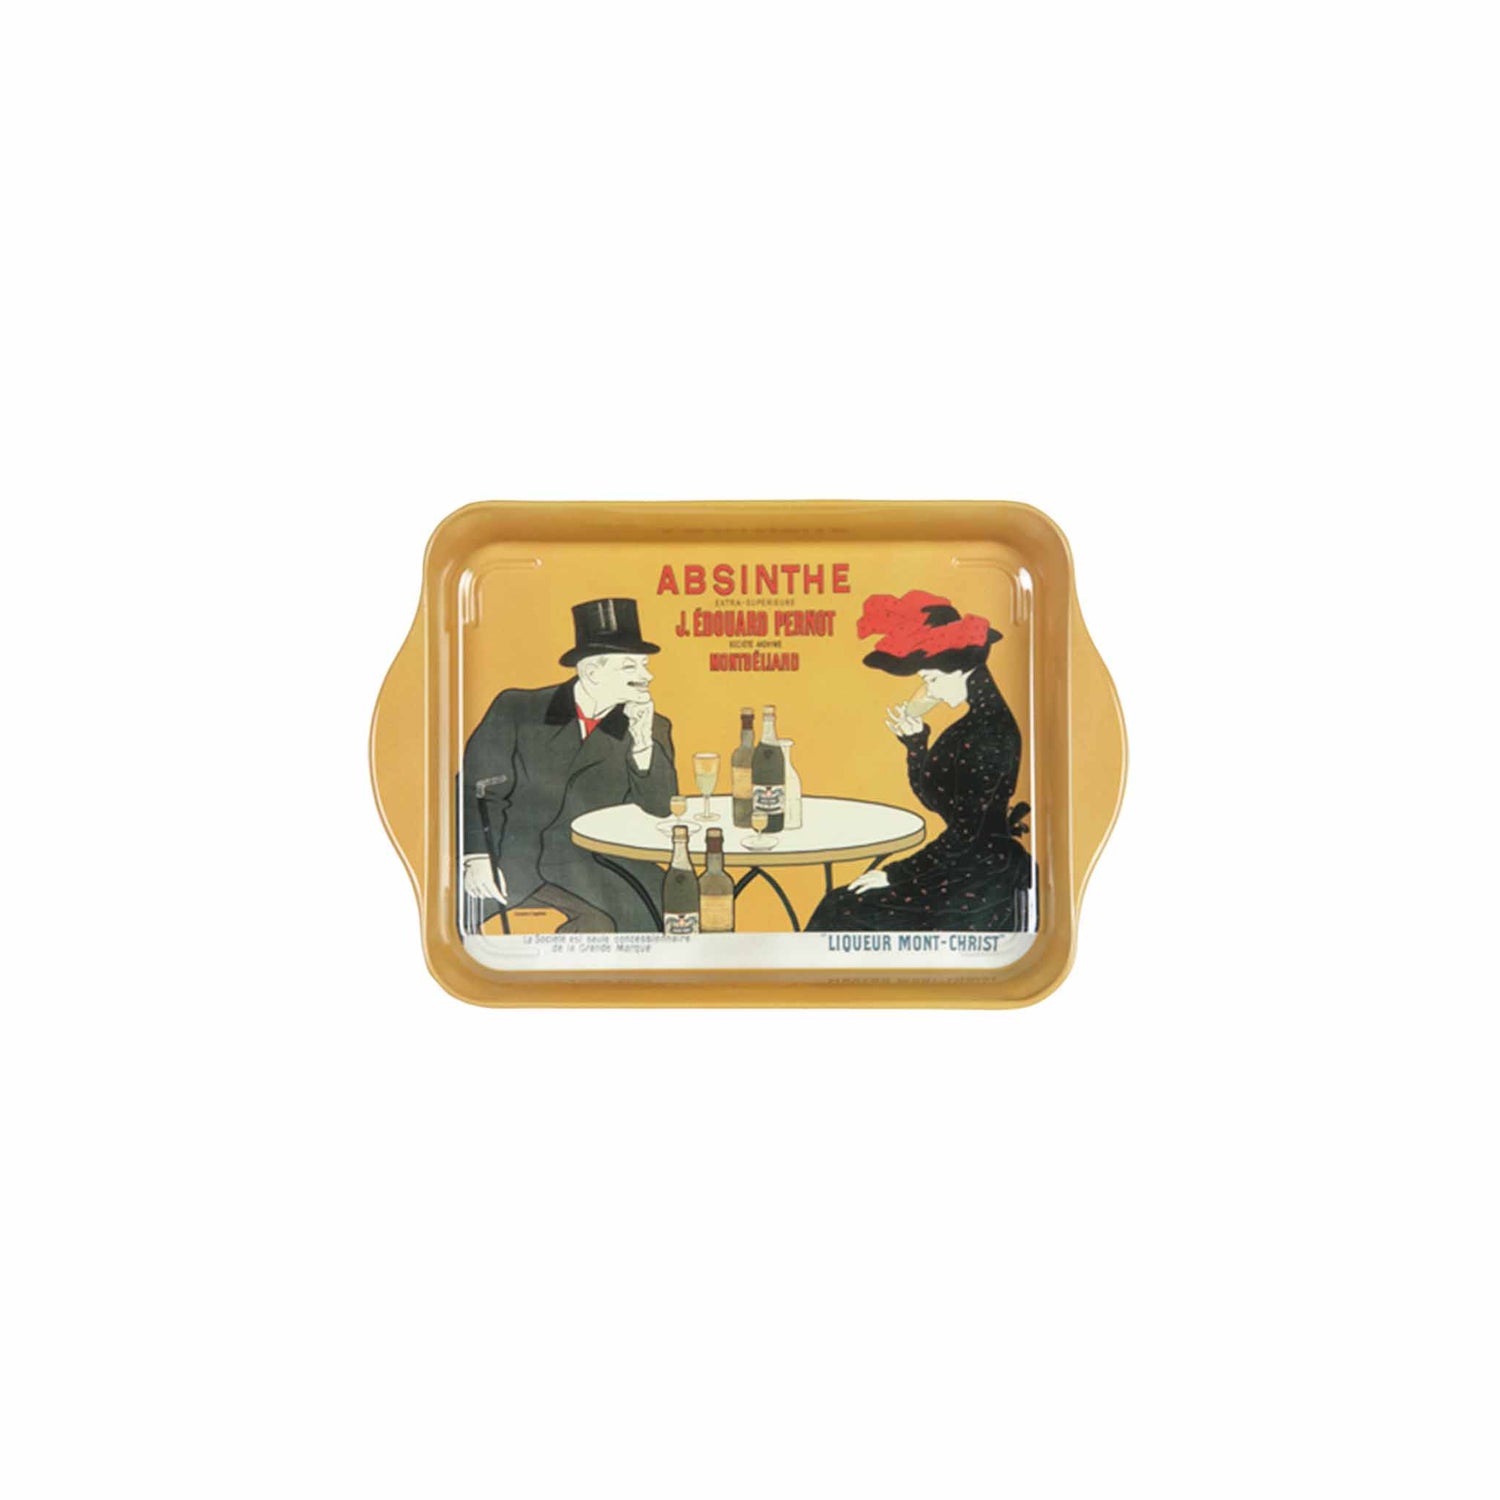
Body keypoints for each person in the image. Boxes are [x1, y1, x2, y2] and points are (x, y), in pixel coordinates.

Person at [806, 591, 1034, 933]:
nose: (932, 693)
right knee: (841, 904)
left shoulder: (988, 733)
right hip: (963, 863)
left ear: (962, 670)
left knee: (842, 908)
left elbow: (967, 834)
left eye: (932, 680)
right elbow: (939, 801)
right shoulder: (975, 724)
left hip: (979, 876)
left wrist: (896, 873)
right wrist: (916, 745)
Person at [460, 598, 677, 933]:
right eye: (630, 667)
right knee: (458, 926)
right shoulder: (518, 708)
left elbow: (660, 809)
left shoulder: (651, 726)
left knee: (672, 916)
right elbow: (477, 789)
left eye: (645, 665)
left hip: (603, 865)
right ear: (592, 672)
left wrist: (643, 743)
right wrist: (477, 857)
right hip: (514, 859)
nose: (646, 676)